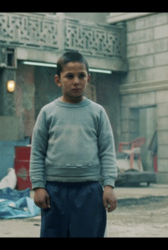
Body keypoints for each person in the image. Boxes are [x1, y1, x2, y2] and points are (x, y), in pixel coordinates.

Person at [29, 51, 118, 237]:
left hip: (89, 191)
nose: (76, 81)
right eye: (69, 76)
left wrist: (108, 185)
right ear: (58, 80)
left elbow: (107, 151)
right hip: (54, 191)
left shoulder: (97, 112)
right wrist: (38, 186)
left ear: (88, 78)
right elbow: (37, 152)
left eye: (81, 76)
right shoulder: (48, 112)